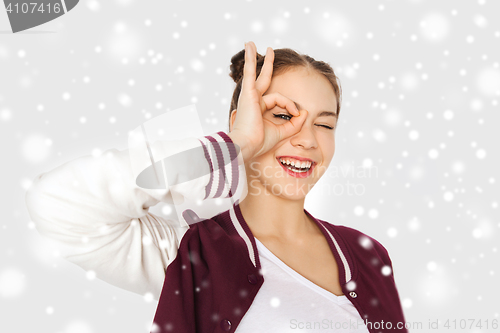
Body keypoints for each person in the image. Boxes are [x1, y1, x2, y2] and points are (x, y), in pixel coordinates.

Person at [25, 41, 408, 333]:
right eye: (282, 117)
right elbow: (57, 204)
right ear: (243, 121)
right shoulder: (192, 251)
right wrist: (234, 145)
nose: (307, 139)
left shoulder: (368, 255)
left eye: (324, 124)